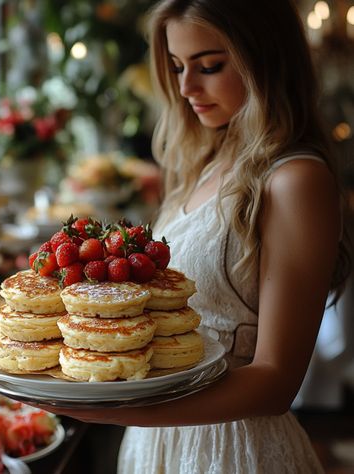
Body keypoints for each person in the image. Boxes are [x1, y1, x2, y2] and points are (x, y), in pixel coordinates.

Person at [45, 0, 351, 472]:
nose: (186, 87)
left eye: (209, 66)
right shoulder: (204, 163)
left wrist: (121, 408)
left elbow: (275, 383)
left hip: (235, 449)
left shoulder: (295, 181)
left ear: (264, 60)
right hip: (156, 446)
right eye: (176, 67)